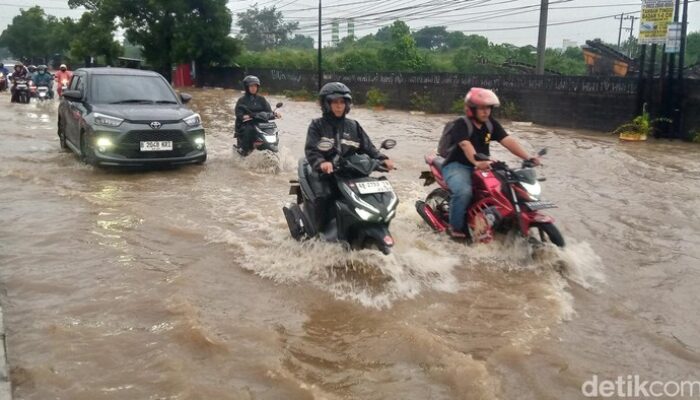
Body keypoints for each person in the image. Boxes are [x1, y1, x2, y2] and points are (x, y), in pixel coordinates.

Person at [441, 87, 541, 239]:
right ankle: (456, 230)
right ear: (471, 109)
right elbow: (465, 145)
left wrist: (527, 157)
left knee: (502, 189)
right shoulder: (460, 124)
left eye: (488, 108)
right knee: (463, 192)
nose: (486, 111)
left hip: (484, 165)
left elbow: (507, 141)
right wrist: (476, 161)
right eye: (481, 108)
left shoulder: (490, 124)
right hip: (457, 166)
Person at [304, 82, 395, 232]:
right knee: (323, 197)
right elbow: (312, 150)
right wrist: (322, 163)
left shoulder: (354, 126)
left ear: (347, 104)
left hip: (350, 172)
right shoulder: (317, 125)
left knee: (377, 195)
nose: (339, 106)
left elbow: (369, 147)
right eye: (335, 102)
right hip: (326, 173)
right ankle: (316, 233)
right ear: (326, 104)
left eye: (342, 102)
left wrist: (383, 159)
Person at [234, 75, 280, 155]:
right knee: (249, 128)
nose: (253, 88)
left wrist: (275, 114)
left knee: (273, 128)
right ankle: (244, 149)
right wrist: (244, 116)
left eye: (255, 86)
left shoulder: (261, 99)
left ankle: (273, 144)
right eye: (251, 86)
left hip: (261, 122)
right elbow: (238, 113)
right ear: (247, 87)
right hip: (247, 123)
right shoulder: (242, 100)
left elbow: (268, 111)